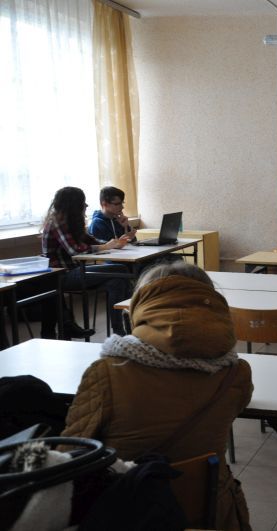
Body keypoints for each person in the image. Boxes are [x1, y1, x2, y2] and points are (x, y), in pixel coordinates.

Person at [61, 262, 253, 530]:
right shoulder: (236, 372)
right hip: (210, 510)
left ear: (141, 307)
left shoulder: (106, 372)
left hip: (128, 514)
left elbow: (68, 455)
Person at [41, 186, 131, 338]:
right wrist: (104, 246)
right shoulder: (57, 223)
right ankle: (125, 326)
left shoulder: (70, 222)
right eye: (83, 202)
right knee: (121, 270)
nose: (86, 205)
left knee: (117, 281)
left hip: (75, 271)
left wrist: (113, 244)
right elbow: (75, 250)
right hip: (62, 276)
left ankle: (120, 331)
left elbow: (91, 240)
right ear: (73, 205)